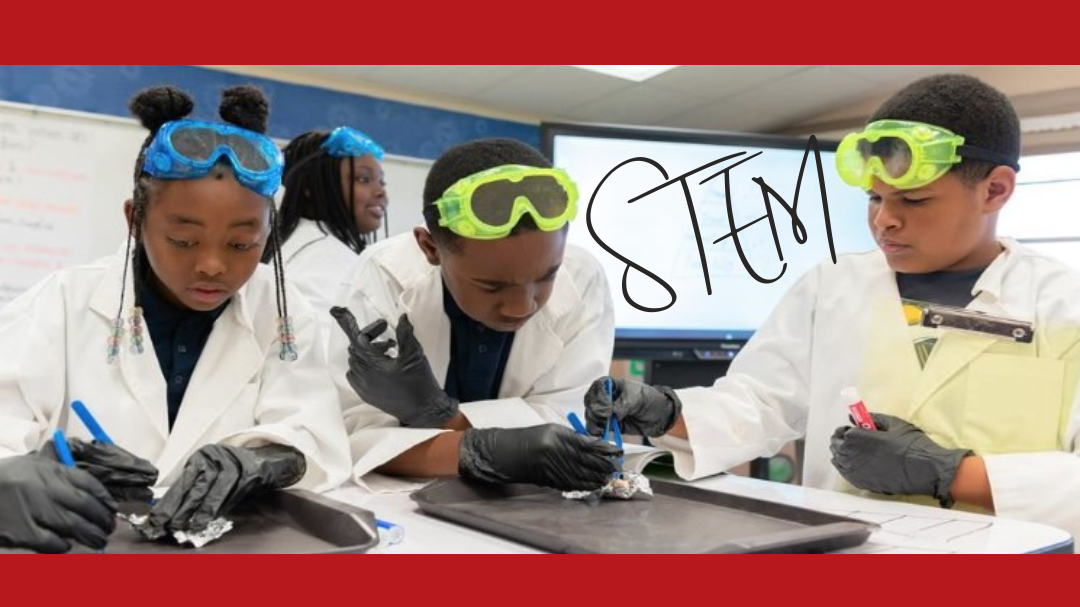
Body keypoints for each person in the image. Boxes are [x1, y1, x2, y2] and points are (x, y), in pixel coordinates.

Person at [584, 74, 1080, 537]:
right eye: (874, 198)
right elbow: (760, 403)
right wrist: (667, 411)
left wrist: (953, 474)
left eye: (914, 201)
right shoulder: (835, 285)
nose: (885, 220)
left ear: (995, 190)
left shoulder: (1064, 306)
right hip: (850, 548)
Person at [0, 84, 351, 551]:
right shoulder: (62, 300)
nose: (212, 265)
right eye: (183, 241)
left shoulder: (283, 313)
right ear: (134, 220)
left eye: (242, 245)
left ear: (269, 232)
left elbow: (314, 434)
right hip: (87, 543)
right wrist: (10, 475)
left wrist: (260, 462)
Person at [329, 138, 620, 492]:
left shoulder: (583, 275)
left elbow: (572, 418)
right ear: (430, 248)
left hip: (540, 501)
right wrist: (481, 450)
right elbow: (352, 437)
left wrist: (441, 420)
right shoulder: (381, 278)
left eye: (546, 277)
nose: (521, 307)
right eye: (492, 286)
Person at [265, 127, 388, 346]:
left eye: (381, 181)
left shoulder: (302, 242)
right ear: (311, 186)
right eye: (364, 179)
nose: (381, 192)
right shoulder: (321, 256)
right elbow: (316, 356)